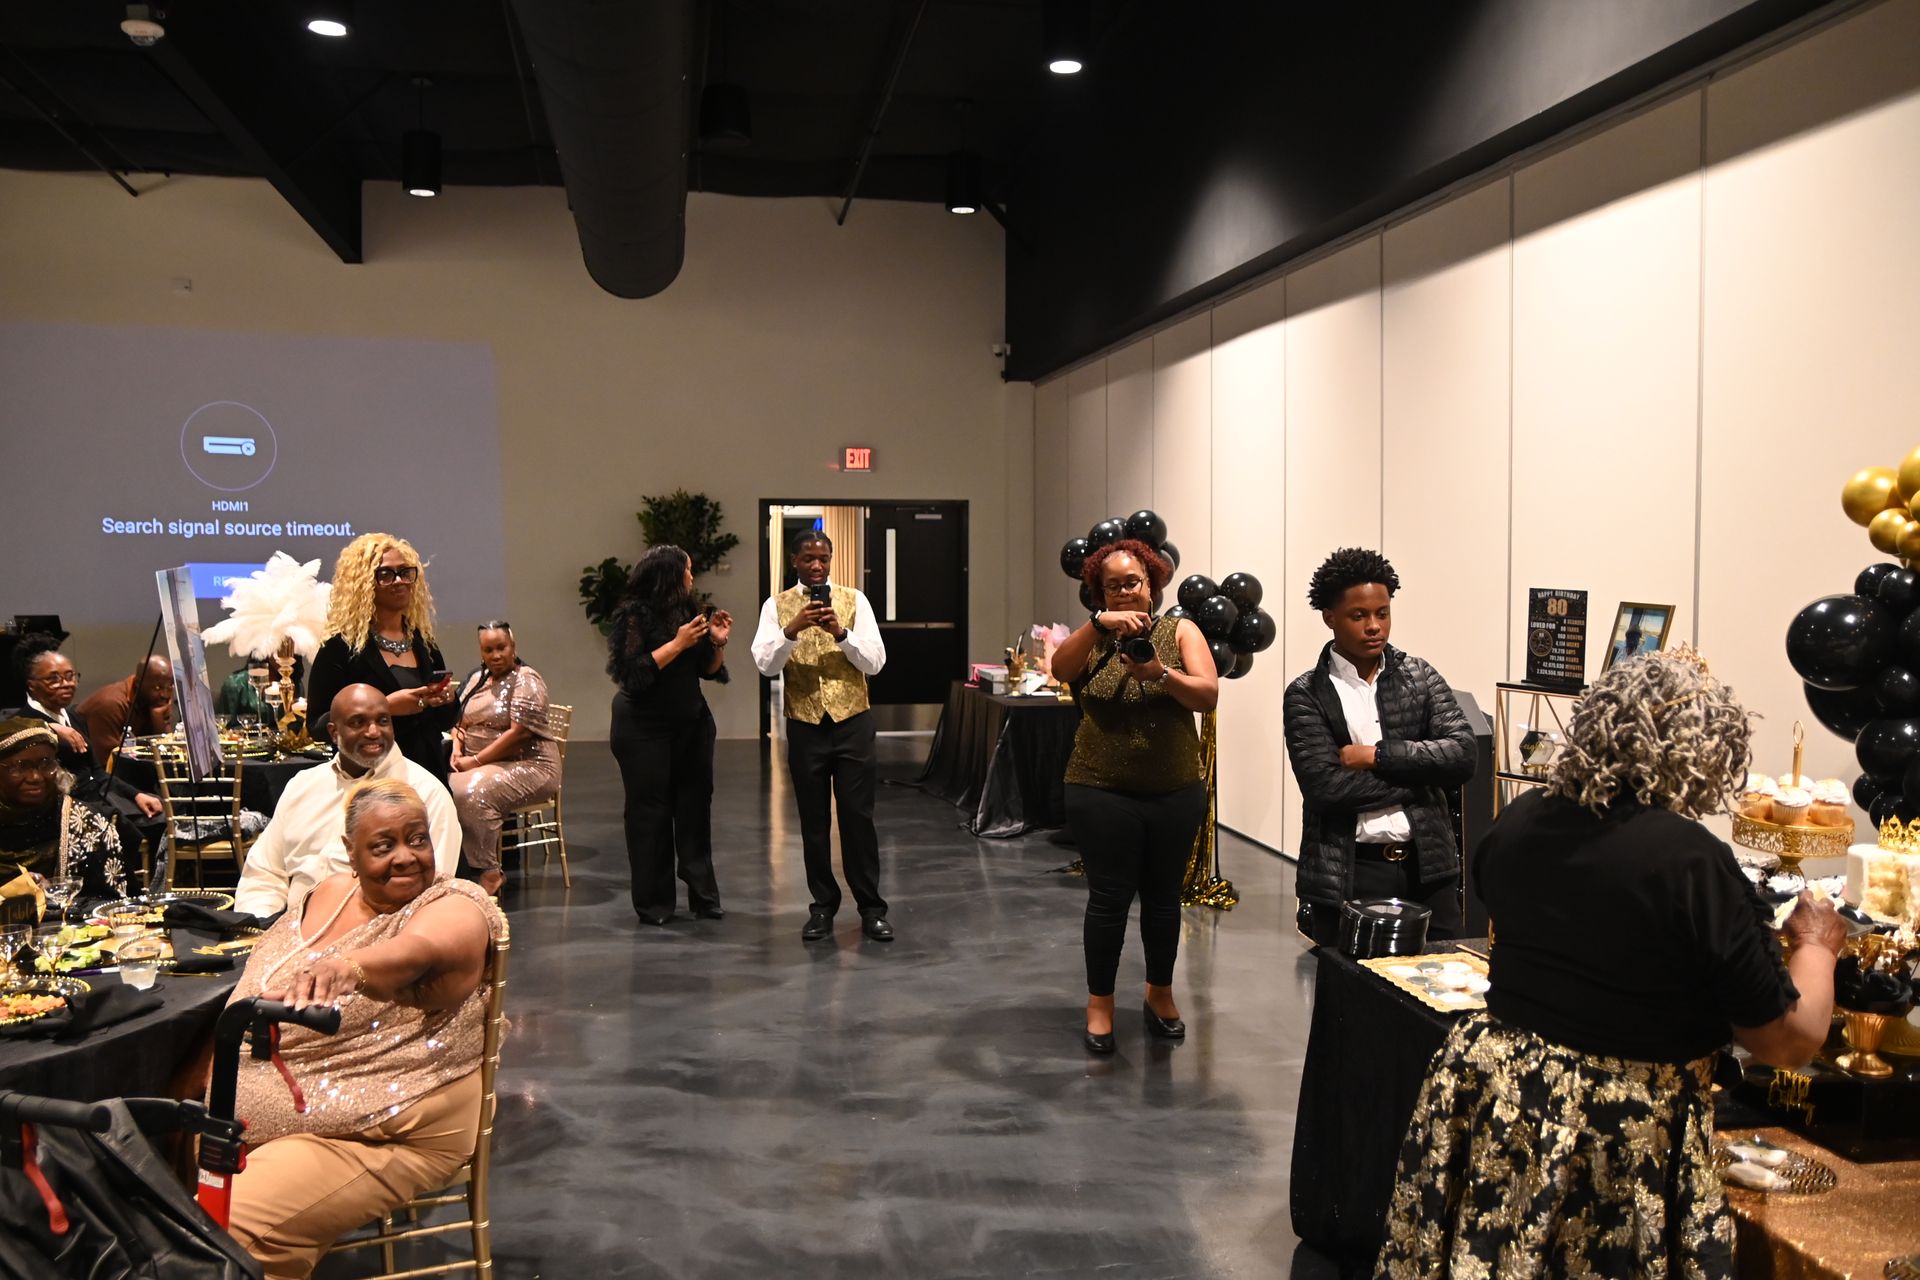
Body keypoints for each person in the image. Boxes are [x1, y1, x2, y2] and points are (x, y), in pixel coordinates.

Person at [1376, 649, 1844, 1278]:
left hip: (1502, 1090)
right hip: (1615, 1124)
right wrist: (1817, 944)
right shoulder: (1689, 861)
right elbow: (1787, 1040)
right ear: (1704, 752)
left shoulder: (1520, 819)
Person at [225, 777, 507, 1280]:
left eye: (417, 839)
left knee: (227, 1226)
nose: (406, 857)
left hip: (388, 1129)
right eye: (383, 846)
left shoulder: (454, 902)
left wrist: (352, 968)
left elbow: (420, 950)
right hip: (285, 1117)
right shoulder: (330, 893)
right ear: (350, 853)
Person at [1047, 538, 1217, 1054]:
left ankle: (1159, 992)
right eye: (1112, 585)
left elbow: (1207, 694)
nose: (1123, 591)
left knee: (1164, 899)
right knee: (1108, 899)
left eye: (1132, 582)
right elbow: (1061, 670)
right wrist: (1098, 626)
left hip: (1175, 789)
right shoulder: (1092, 637)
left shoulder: (1179, 630)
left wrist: (1160, 673)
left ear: (1152, 585)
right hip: (1099, 788)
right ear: (1099, 592)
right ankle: (1100, 1002)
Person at [1282, 547, 1475, 945]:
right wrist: (1423, 779)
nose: (1374, 626)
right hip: (1348, 872)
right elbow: (1325, 788)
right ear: (1329, 617)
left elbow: (1463, 754)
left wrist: (1378, 755)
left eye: (1382, 613)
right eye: (1359, 616)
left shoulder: (1420, 676)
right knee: (1350, 983)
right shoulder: (1307, 693)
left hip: (1429, 868)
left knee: (1441, 975)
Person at [750, 529, 893, 942]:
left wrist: (842, 635)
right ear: (794, 561)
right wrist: (791, 630)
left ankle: (871, 908)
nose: (817, 565)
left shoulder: (854, 600)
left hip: (853, 723)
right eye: (809, 558)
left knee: (857, 817)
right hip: (806, 725)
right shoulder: (776, 606)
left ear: (831, 561)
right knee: (813, 821)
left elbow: (876, 662)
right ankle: (822, 907)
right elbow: (765, 665)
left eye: (824, 558)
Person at [234, 684, 460, 919]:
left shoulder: (426, 793)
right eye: (358, 722)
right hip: (291, 930)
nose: (373, 732)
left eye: (383, 721)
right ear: (334, 732)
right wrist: (259, 925)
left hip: (382, 933)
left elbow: (431, 893)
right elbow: (264, 873)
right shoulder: (302, 786)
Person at [607, 549, 730, 924]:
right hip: (643, 727)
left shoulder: (688, 610)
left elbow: (709, 670)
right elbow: (631, 674)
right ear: (669, 575)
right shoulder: (633, 614)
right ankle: (654, 903)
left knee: (695, 809)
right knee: (650, 813)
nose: (692, 576)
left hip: (691, 723)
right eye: (688, 570)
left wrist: (717, 643)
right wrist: (677, 643)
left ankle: (703, 895)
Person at [306, 533, 459, 782]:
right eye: (386, 574)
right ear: (364, 584)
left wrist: (447, 700)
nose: (399, 581)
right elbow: (317, 726)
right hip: (369, 779)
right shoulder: (340, 648)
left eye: (405, 572)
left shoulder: (423, 642)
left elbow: (444, 721)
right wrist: (383, 708)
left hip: (427, 774)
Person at [450, 621, 562, 896]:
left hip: (530, 764)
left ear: (513, 647)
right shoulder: (477, 679)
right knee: (439, 786)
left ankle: (488, 872)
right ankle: (457, 868)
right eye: (488, 650)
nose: (496, 655)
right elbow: (459, 722)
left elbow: (519, 734)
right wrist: (456, 748)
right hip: (484, 763)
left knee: (471, 792)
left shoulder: (527, 680)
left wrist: (474, 762)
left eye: (501, 647)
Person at [5, 633, 164, 820]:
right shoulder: (22, 723)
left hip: (100, 797)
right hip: (67, 811)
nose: (66, 684)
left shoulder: (73, 716)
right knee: (154, 823)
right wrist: (48, 728)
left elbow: (98, 773)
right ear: (32, 686)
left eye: (70, 676)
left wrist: (136, 795)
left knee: (164, 806)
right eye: (54, 679)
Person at [0, 717, 129, 907]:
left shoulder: (87, 824)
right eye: (21, 766)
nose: (35, 777)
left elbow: (112, 905)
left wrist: (52, 897)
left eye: (46, 764)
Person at [74, 654, 176, 765]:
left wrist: (160, 720)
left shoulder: (153, 702)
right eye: (158, 687)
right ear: (138, 683)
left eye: (170, 685)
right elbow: (110, 762)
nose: (165, 694)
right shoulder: (111, 704)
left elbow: (168, 752)